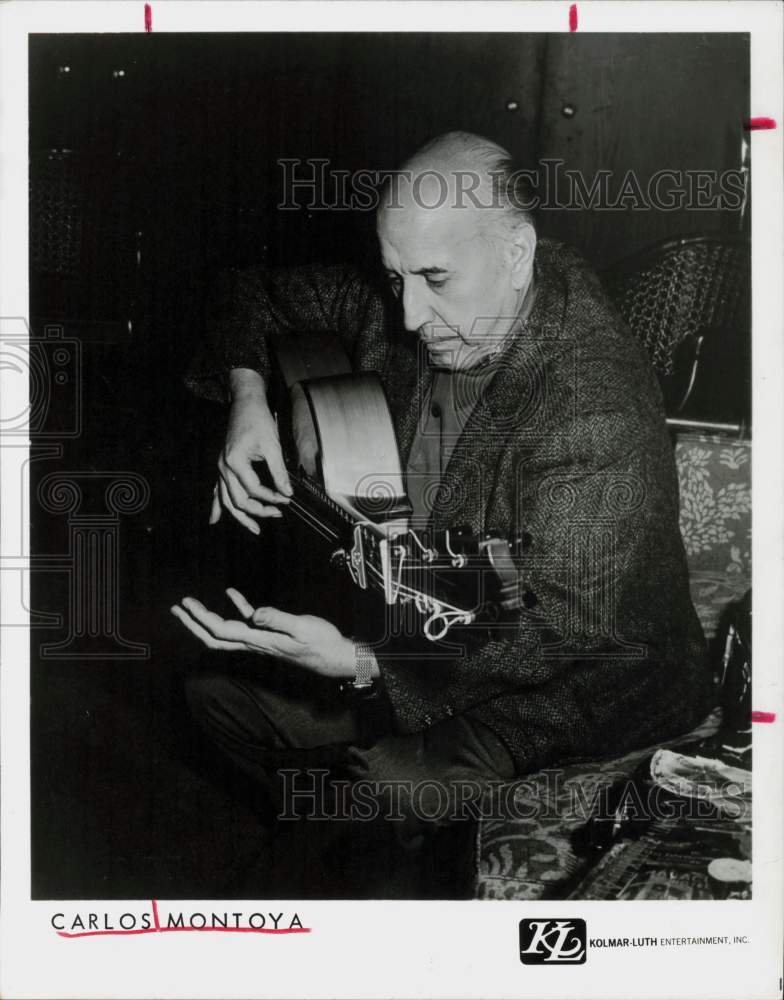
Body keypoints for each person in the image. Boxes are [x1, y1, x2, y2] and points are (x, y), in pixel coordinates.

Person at [174, 131, 715, 894]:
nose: (409, 316)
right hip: (420, 619)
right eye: (396, 279)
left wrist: (364, 665)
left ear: (517, 254)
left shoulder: (592, 398)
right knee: (217, 699)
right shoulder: (437, 290)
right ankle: (382, 854)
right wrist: (249, 399)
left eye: (434, 279)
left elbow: (559, 627)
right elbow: (246, 289)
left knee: (378, 791)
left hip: (574, 686)